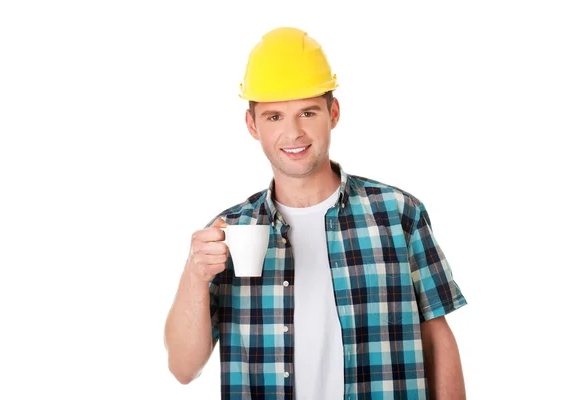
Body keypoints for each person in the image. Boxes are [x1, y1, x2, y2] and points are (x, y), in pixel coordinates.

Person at [164, 26, 468, 400]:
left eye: (307, 112)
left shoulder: (399, 214)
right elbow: (182, 367)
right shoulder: (229, 231)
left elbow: (437, 341)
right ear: (252, 126)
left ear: (333, 113)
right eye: (274, 117)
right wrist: (195, 274)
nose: (293, 133)